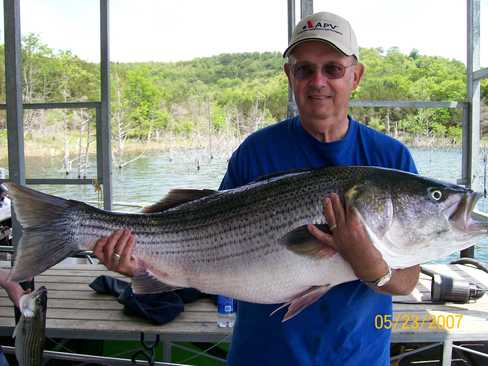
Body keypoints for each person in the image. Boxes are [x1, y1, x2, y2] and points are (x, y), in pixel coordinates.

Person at [94, 11, 420, 365]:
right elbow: (205, 238)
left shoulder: (390, 158)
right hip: (260, 355)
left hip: (357, 357)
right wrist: (144, 264)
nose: (318, 81)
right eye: (304, 69)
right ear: (289, 75)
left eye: (333, 69)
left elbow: (406, 281)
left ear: (356, 76)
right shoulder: (256, 151)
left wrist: (366, 260)